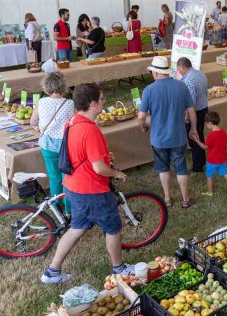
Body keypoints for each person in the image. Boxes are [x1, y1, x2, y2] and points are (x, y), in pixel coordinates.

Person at [41, 83, 132, 284]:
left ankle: (52, 272)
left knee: (76, 228)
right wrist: (116, 172)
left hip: (73, 186)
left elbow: (79, 151)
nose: (104, 102)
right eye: (101, 99)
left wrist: (102, 155)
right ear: (92, 104)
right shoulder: (91, 130)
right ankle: (120, 269)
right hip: (92, 189)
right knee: (113, 228)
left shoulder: (72, 121)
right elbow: (99, 169)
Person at [138, 56, 197, 209]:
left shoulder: (149, 90)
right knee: (181, 169)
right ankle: (185, 199)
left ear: (156, 73)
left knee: (163, 169)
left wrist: (143, 127)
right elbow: (191, 111)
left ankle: (167, 199)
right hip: (178, 137)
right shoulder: (181, 86)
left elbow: (141, 116)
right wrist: (193, 128)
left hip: (158, 139)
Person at [29, 73, 74, 216]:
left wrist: (38, 127)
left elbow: (33, 122)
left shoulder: (41, 102)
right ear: (63, 86)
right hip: (66, 146)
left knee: (54, 177)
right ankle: (69, 209)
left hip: (48, 145)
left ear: (46, 87)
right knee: (67, 177)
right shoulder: (70, 104)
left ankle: (56, 206)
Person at [190, 112, 227, 196]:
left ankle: (210, 192)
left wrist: (196, 140)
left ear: (210, 123)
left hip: (212, 161)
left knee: (209, 176)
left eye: (206, 124)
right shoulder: (223, 132)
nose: (206, 125)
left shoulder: (211, 136)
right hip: (222, 159)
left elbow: (205, 147)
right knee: (225, 173)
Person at [177, 57, 208, 173]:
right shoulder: (200, 74)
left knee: (194, 139)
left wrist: (187, 116)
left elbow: (191, 102)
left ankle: (197, 166)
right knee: (200, 135)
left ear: (183, 67)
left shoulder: (188, 80)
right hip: (204, 109)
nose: (178, 71)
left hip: (195, 112)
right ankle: (202, 160)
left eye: (179, 68)